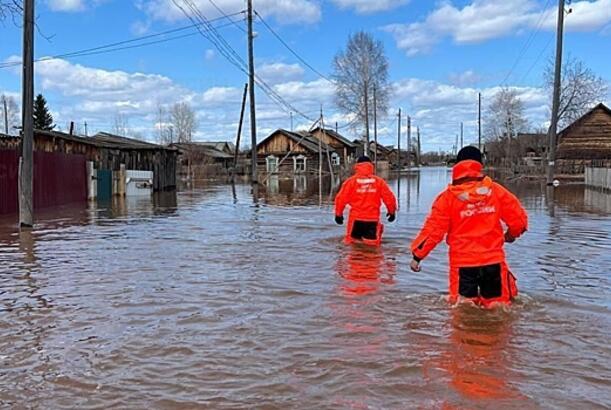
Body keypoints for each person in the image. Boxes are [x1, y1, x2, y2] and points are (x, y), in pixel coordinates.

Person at [409, 146, 527, 307]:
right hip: (493, 262)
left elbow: (433, 231)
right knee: (498, 308)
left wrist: (417, 256)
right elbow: (519, 220)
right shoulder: (496, 192)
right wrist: (511, 235)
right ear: (480, 164)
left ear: (457, 166)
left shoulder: (447, 198)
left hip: (462, 265)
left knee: (462, 310)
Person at [334, 155, 397, 246]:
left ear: (357, 166)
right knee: (372, 248)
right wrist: (392, 212)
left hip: (356, 220)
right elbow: (389, 198)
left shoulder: (351, 182)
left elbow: (340, 199)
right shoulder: (379, 182)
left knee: (353, 246)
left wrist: (338, 214)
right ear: (371, 166)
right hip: (372, 220)